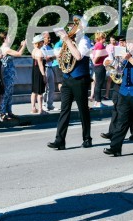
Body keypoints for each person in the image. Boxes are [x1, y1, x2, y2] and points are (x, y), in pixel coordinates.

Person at [47, 17, 94, 150]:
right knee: (64, 110)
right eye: (71, 26)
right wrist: (64, 43)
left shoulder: (84, 40)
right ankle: (60, 140)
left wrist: (67, 40)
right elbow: (61, 56)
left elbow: (78, 56)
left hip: (80, 78)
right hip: (67, 78)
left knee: (82, 110)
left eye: (74, 25)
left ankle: (87, 138)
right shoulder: (68, 41)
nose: (71, 28)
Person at [103, 33, 133, 156]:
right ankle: (115, 147)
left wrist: (130, 58)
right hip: (124, 92)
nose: (125, 44)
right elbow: (116, 69)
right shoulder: (122, 54)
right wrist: (110, 62)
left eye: (128, 42)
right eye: (124, 42)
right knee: (121, 121)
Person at [101, 34, 133, 142]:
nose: (121, 44)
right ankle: (112, 132)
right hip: (118, 82)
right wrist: (106, 62)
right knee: (116, 107)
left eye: (123, 42)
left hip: (129, 83)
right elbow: (109, 60)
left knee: (131, 109)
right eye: (120, 42)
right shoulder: (117, 51)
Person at [0, 31, 26, 122]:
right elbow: (19, 54)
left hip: (9, 74)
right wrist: (24, 45)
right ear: (5, 38)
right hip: (6, 74)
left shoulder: (6, 48)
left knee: (9, 94)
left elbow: (15, 54)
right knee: (6, 93)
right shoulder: (5, 48)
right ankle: (2, 112)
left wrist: (20, 46)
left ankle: (8, 111)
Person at [30, 35, 47, 116]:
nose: (43, 43)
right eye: (42, 41)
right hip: (39, 73)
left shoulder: (34, 51)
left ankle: (33, 108)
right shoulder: (39, 52)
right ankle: (40, 109)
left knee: (34, 91)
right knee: (40, 92)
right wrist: (44, 75)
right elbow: (41, 65)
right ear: (40, 43)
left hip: (34, 72)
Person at [90, 32, 108, 108]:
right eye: (104, 37)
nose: (105, 39)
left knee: (98, 84)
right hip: (100, 66)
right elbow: (96, 59)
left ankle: (97, 101)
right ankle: (98, 102)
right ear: (100, 38)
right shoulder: (100, 45)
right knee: (99, 84)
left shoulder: (96, 45)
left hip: (98, 66)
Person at [42, 32, 58, 112]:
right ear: (43, 38)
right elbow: (45, 59)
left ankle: (50, 104)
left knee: (52, 87)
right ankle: (43, 105)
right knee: (45, 88)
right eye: (48, 38)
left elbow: (53, 57)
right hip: (45, 68)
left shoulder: (49, 47)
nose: (49, 39)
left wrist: (51, 57)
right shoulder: (42, 48)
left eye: (49, 38)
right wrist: (52, 57)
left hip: (50, 67)